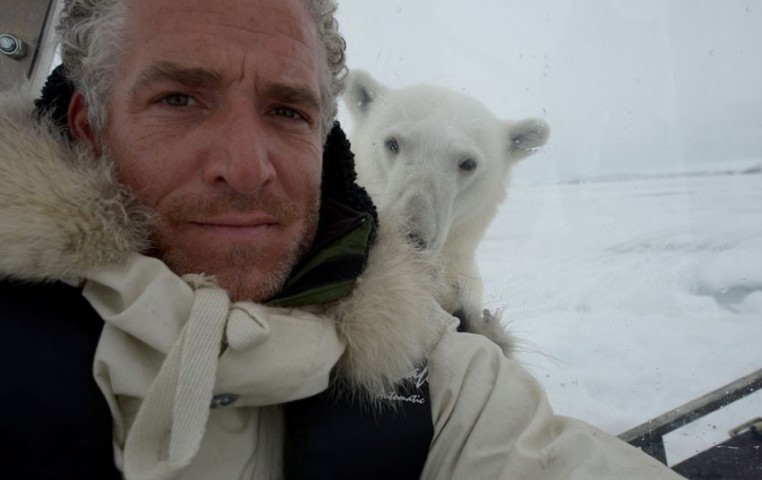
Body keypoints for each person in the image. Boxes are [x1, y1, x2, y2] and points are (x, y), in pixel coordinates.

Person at [0, 0, 684, 478]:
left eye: (286, 110)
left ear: (323, 138)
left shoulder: (432, 376)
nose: (246, 166)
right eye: (180, 98)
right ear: (89, 124)